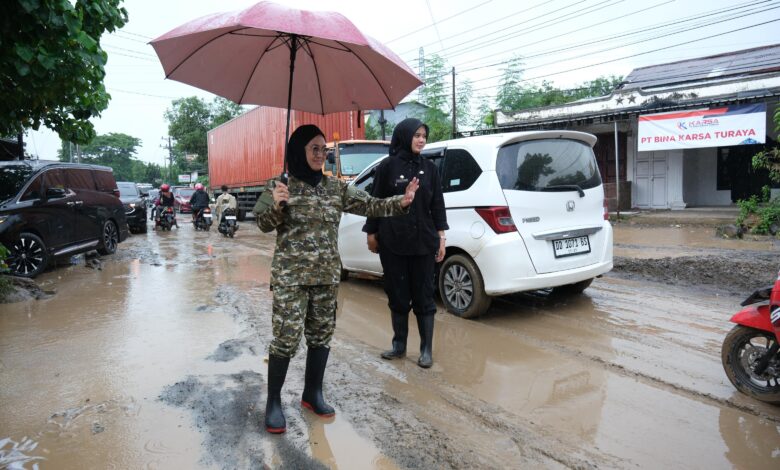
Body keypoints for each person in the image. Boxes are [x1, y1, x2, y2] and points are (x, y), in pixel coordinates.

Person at [253, 124, 419, 434]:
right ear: (298, 151)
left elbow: (370, 204)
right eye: (314, 149)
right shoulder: (280, 185)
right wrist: (277, 204)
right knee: (286, 341)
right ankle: (273, 402)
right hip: (291, 279)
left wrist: (402, 202)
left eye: (324, 149)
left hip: (326, 277)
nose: (320, 154)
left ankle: (312, 394)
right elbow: (262, 224)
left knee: (321, 336)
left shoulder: (335, 188)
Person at [363, 118, 448, 369]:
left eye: (424, 135)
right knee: (398, 295)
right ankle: (399, 345)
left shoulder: (430, 169)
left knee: (424, 296)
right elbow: (375, 201)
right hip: (393, 243)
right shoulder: (388, 166)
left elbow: (438, 206)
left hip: (424, 243)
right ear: (405, 136)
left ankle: (425, 350)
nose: (421, 139)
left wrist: (441, 237)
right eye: (417, 135)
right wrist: (371, 232)